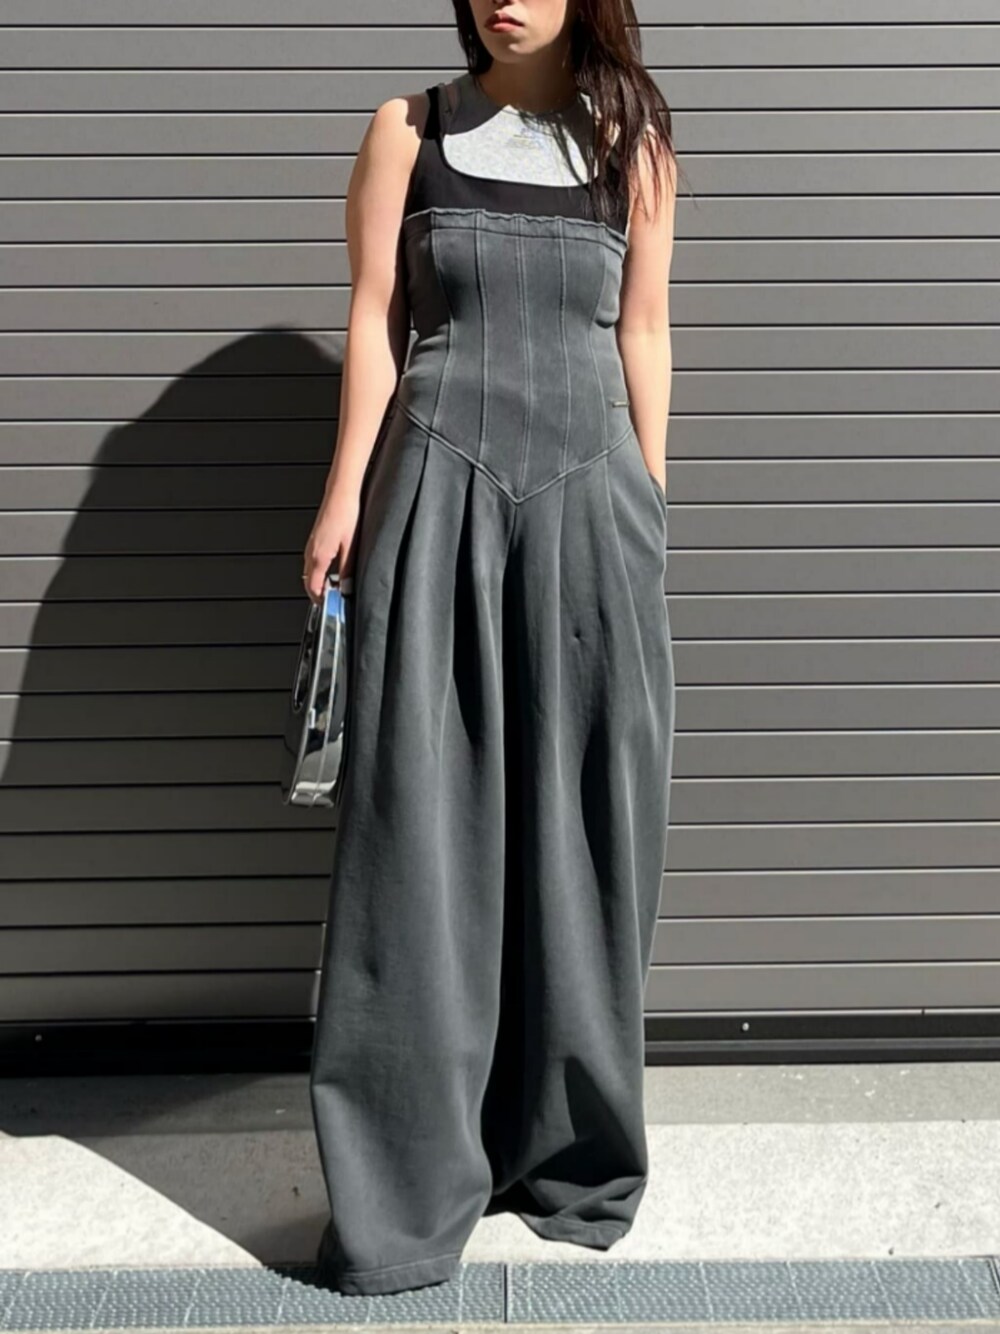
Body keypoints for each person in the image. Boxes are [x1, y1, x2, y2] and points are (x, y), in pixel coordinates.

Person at [303, 0, 678, 1299]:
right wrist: (343, 498)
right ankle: (405, 1190)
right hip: (435, 491)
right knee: (419, 834)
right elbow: (374, 321)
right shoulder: (407, 132)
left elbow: (643, 329)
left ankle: (567, 1156)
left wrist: (649, 501)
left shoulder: (634, 141)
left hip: (591, 503)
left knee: (586, 831)